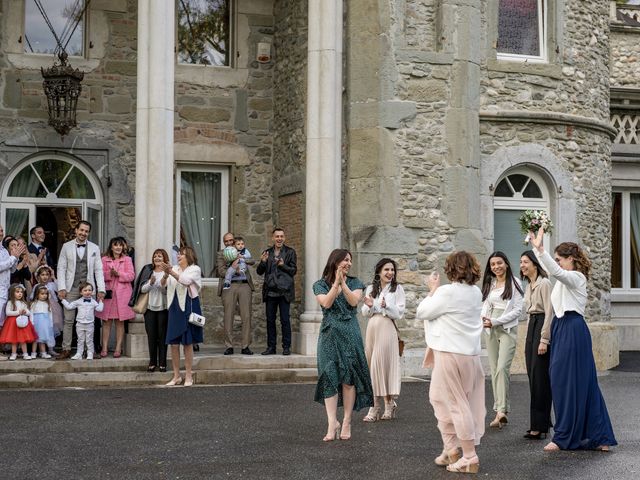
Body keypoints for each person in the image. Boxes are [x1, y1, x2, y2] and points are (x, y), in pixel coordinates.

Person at [529, 228, 617, 451]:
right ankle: (597, 436)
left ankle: (568, 437)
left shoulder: (576, 278)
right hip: (561, 328)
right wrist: (536, 249)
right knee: (568, 381)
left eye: (560, 259)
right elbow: (554, 273)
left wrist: (540, 250)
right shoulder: (563, 281)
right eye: (556, 259)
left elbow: (557, 272)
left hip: (573, 328)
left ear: (571, 260)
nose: (557, 263)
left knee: (572, 382)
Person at [416, 251, 485, 474]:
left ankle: (468, 456)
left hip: (450, 353)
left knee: (456, 404)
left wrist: (433, 289)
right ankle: (451, 449)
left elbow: (422, 311)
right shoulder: (475, 292)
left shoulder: (446, 292)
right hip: (470, 356)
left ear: (452, 269)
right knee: (439, 397)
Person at [313, 248, 373, 442]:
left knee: (348, 378)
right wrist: (336, 283)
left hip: (349, 332)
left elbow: (353, 301)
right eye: (345, 260)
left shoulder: (355, 282)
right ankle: (332, 423)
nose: (348, 263)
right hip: (329, 334)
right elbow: (327, 304)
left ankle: (346, 421)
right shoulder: (320, 284)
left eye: (350, 260)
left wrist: (343, 283)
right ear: (335, 261)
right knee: (329, 376)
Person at [480, 251, 524, 428]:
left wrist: (496, 321)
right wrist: (484, 319)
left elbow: (518, 310)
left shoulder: (514, 282)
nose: (496, 267)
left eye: (499, 263)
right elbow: (485, 305)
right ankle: (499, 410)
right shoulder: (490, 284)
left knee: (502, 368)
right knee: (493, 368)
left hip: (506, 327)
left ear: (506, 263)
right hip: (489, 327)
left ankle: (501, 410)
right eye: (493, 265)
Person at [361, 258, 405, 422]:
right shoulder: (371, 288)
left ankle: (377, 407)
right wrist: (370, 305)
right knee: (372, 364)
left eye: (392, 270)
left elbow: (399, 312)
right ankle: (387, 404)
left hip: (387, 330)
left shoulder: (397, 289)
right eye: (387, 270)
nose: (390, 273)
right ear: (379, 271)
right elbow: (365, 312)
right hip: (372, 330)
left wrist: (386, 306)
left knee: (381, 366)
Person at [57, 220, 106, 360]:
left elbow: (98, 270)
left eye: (86, 231)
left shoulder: (94, 248)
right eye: (81, 230)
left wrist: (101, 289)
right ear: (76, 230)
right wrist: (61, 287)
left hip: (89, 288)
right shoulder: (66, 247)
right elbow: (61, 268)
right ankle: (66, 348)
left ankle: (90, 350)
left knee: (90, 320)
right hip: (71, 287)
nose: (83, 233)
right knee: (69, 320)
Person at [519, 250, 554, 440]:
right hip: (531, 325)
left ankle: (538, 427)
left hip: (541, 325)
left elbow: (549, 312)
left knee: (541, 379)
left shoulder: (544, 283)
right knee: (533, 377)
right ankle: (541, 423)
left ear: (534, 263)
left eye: (525, 262)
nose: (522, 265)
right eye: (521, 262)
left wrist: (544, 339)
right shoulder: (529, 285)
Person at [162, 245, 203, 387]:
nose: (178, 256)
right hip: (174, 306)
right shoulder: (174, 268)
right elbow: (163, 285)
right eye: (178, 254)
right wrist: (166, 274)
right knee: (173, 343)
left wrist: (171, 272)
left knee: (187, 342)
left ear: (189, 256)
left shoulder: (195, 269)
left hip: (188, 305)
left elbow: (185, 281)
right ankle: (176, 376)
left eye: (182, 254)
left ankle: (189, 375)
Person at [256, 227, 297, 356]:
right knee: (270, 320)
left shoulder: (290, 252)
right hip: (270, 291)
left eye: (281, 236)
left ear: (284, 238)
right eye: (277, 236)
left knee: (285, 320)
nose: (279, 239)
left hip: (284, 291)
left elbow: (293, 271)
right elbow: (259, 272)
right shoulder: (267, 253)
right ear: (273, 238)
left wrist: (283, 265)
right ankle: (271, 347)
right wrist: (262, 262)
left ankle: (286, 347)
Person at [130, 248, 169, 372]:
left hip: (163, 308)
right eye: (155, 256)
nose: (157, 258)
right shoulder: (148, 270)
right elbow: (141, 290)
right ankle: (152, 362)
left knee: (162, 337)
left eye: (160, 256)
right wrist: (150, 283)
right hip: (149, 308)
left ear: (165, 259)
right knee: (151, 336)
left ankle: (162, 363)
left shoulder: (168, 272)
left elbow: (165, 291)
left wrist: (162, 280)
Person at [96, 237, 136, 358]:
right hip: (108, 294)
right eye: (115, 245)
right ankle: (104, 347)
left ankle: (118, 348)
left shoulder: (127, 259)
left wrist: (119, 274)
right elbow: (99, 274)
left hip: (122, 294)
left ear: (123, 247)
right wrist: (109, 274)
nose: (118, 247)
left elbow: (131, 276)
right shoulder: (104, 259)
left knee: (120, 322)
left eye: (120, 245)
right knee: (106, 322)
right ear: (111, 246)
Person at [216, 232, 254, 356]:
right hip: (229, 286)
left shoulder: (242, 250)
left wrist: (242, 258)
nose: (229, 243)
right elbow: (221, 271)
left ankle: (245, 346)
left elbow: (252, 261)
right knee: (228, 316)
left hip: (244, 285)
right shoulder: (221, 254)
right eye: (226, 241)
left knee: (246, 316)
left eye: (230, 240)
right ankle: (229, 346)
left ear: (234, 240)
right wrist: (232, 268)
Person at [61, 282, 104, 360]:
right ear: (81, 292)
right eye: (85, 290)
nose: (88, 292)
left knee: (89, 340)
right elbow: (69, 307)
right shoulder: (78, 301)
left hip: (90, 324)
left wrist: (101, 301)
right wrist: (63, 300)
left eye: (89, 290)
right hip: (80, 324)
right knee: (80, 339)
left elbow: (99, 309)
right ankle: (79, 353)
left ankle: (90, 353)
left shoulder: (93, 302)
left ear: (92, 292)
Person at [0, 283, 36, 360]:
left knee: (23, 340)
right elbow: (8, 313)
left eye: (21, 292)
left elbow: (29, 312)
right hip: (12, 323)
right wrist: (17, 312)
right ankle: (13, 354)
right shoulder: (10, 302)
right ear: (12, 293)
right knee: (14, 340)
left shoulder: (23, 303)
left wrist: (25, 312)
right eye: (17, 292)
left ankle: (25, 354)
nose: (20, 294)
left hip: (22, 323)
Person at [0, 235, 25, 329]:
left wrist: (16, 258)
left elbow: (12, 270)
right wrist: (13, 257)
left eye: (2, 231)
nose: (1, 233)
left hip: (5, 289)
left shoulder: (4, 251)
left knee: (3, 321)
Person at [30, 284, 55, 359]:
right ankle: (33, 352)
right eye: (42, 294)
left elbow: (50, 314)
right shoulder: (34, 303)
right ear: (37, 294)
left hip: (45, 324)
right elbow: (31, 313)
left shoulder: (47, 304)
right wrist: (32, 322)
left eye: (46, 294)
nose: (44, 295)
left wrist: (51, 324)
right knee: (35, 339)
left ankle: (43, 353)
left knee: (42, 339)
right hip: (37, 323)